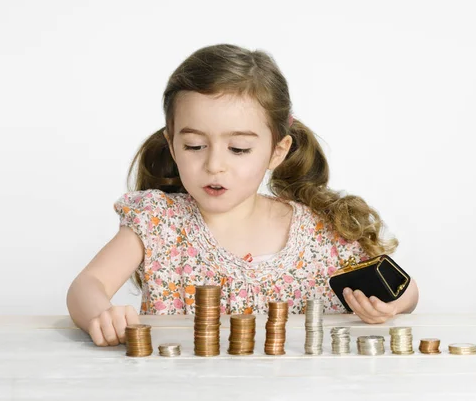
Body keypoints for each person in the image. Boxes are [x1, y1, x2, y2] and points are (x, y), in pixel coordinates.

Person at [66, 43, 419, 347]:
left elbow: (406, 288)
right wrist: (102, 314)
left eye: (238, 148)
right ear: (172, 145)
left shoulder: (320, 231)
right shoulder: (158, 222)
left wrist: (392, 306)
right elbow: (87, 284)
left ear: (276, 152)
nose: (214, 165)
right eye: (195, 145)